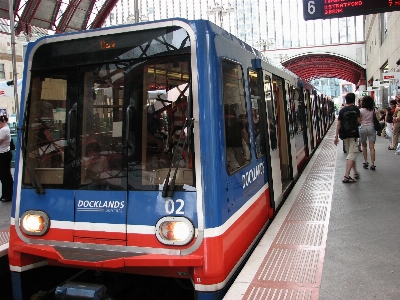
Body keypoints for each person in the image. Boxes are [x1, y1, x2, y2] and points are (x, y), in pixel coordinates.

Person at [334, 93, 360, 183]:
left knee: (350, 154)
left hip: (344, 135)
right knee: (352, 154)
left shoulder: (342, 110)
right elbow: (359, 121)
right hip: (353, 134)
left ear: (345, 100)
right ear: (353, 100)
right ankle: (346, 176)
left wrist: (336, 136)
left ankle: (355, 172)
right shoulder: (356, 109)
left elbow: (338, 124)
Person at [359, 95, 378, 170]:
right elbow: (378, 118)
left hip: (363, 128)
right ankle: (373, 164)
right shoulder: (374, 110)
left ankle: (366, 162)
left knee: (364, 146)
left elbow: (359, 120)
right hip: (371, 128)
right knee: (372, 147)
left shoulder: (360, 110)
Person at [0, 115, 13, 202]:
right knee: (5, 175)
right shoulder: (6, 128)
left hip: (3, 155)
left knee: (4, 175)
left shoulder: (3, 130)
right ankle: (6, 194)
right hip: (5, 153)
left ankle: (7, 195)